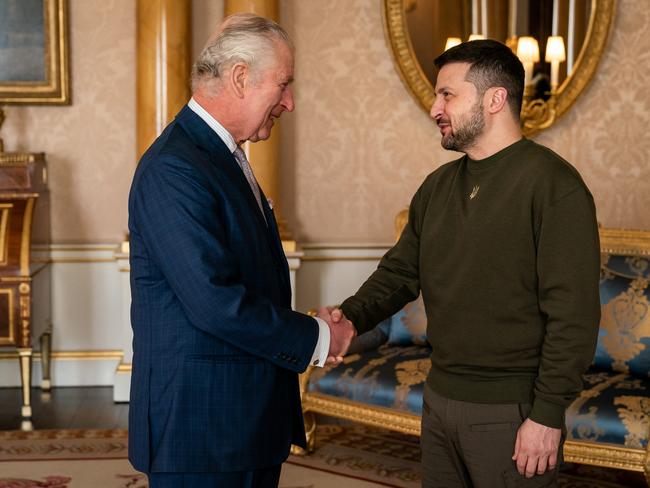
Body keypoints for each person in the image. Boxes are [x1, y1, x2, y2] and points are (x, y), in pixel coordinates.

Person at [331, 39, 601, 487]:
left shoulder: (554, 185)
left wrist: (547, 415)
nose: (434, 107)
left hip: (513, 412)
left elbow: (573, 314)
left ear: (495, 99)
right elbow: (399, 272)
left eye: (447, 95)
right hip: (439, 400)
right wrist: (349, 320)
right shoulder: (436, 187)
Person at [127, 13, 355, 488]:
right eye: (284, 84)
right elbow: (215, 304)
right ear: (240, 77)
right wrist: (316, 337)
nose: (290, 102)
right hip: (201, 431)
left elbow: (250, 278)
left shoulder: (219, 155)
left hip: (241, 422)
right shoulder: (175, 168)